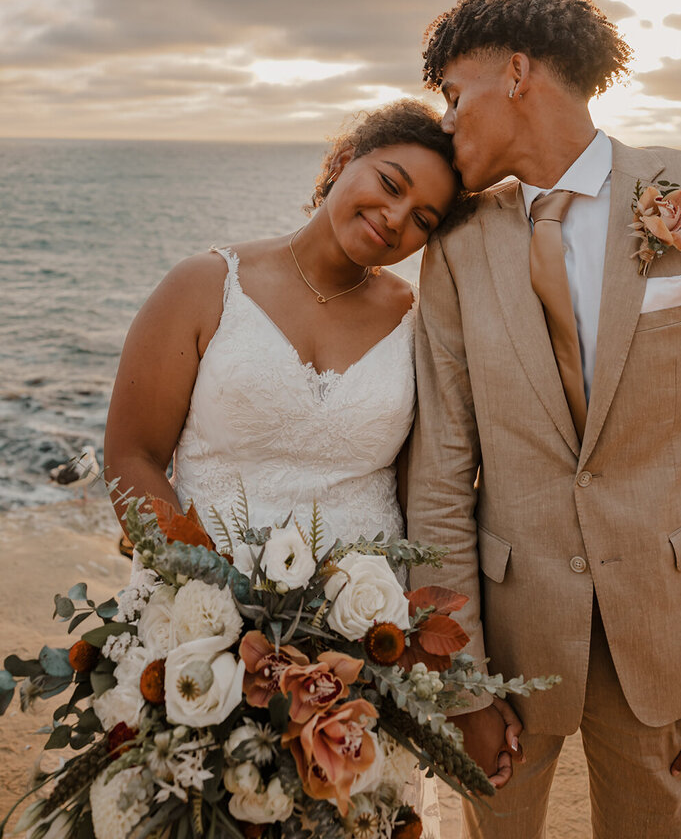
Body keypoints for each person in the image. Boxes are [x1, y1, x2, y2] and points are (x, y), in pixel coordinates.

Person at [406, 0, 681, 839]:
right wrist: (461, 678)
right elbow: (438, 471)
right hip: (507, 639)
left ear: (516, 73)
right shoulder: (459, 244)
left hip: (670, 631)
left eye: (453, 94)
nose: (446, 122)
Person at [104, 98, 461, 557]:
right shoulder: (205, 285)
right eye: (391, 184)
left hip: (369, 616)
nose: (395, 217)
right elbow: (133, 457)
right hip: (208, 611)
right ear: (343, 160)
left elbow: (423, 490)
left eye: (421, 219)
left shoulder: (417, 320)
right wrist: (201, 588)